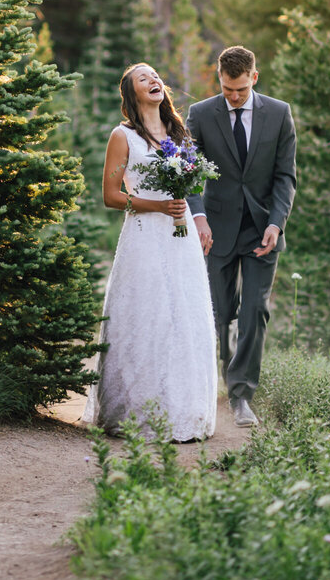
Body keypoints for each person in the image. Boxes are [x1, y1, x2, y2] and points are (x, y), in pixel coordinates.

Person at [82, 63, 217, 441]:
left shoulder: (179, 133)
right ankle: (137, 413)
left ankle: (187, 411)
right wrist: (157, 206)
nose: (154, 80)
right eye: (144, 78)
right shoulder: (122, 136)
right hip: (143, 234)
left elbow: (192, 186)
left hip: (181, 234)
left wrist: (188, 211)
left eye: (155, 75)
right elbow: (111, 196)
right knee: (147, 313)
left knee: (184, 316)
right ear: (131, 93)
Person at [186, 46, 296, 427]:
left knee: (255, 310)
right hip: (214, 229)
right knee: (220, 312)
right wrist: (198, 216)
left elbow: (286, 176)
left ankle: (240, 392)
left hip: (262, 228)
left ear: (254, 76)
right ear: (219, 79)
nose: (233, 96)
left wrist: (276, 223)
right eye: (226, 88)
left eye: (240, 90)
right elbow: (187, 172)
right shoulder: (200, 114)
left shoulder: (280, 114)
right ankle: (222, 372)